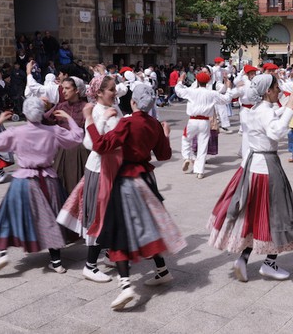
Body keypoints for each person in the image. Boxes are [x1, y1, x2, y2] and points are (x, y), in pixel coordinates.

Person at [83, 84, 187, 310]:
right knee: (148, 226)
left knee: (120, 229)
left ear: (133, 102)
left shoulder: (128, 123)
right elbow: (164, 155)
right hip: (148, 180)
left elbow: (100, 146)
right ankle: (162, 270)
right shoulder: (155, 125)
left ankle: (126, 285)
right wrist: (166, 135)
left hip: (128, 180)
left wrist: (90, 120)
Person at [208, 74, 293, 282]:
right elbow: (275, 131)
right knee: (278, 213)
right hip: (266, 168)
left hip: (252, 167)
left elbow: (269, 114)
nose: (279, 89)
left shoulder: (253, 110)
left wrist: (284, 107)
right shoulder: (263, 112)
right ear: (268, 91)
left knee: (256, 215)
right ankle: (269, 263)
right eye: (276, 87)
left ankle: (243, 259)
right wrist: (289, 108)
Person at [0, 98, 83, 273]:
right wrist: (69, 119)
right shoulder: (53, 130)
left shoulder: (16, 131)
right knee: (51, 217)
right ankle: (56, 260)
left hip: (23, 180)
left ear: (25, 113)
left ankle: (2, 252)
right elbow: (76, 138)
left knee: (10, 216)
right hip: (48, 179)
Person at [56, 75, 121, 283]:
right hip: (99, 169)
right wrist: (100, 119)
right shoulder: (96, 111)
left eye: (115, 88)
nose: (115, 92)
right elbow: (90, 143)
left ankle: (111, 253)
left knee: (112, 213)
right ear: (99, 93)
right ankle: (90, 265)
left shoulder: (114, 107)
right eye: (111, 89)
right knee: (98, 215)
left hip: (113, 168)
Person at [176, 70, 234, 179]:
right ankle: (200, 171)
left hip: (192, 120)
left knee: (185, 139)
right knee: (203, 145)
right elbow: (226, 99)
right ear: (207, 82)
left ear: (197, 80)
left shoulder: (191, 91)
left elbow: (178, 91)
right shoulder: (212, 93)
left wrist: (180, 80)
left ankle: (187, 157)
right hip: (205, 121)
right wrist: (229, 88)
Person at [43, 76, 89, 194]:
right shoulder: (60, 106)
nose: (63, 91)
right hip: (61, 152)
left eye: (67, 88)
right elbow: (44, 120)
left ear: (77, 90)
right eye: (63, 88)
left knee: (78, 188)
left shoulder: (86, 107)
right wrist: (42, 107)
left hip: (80, 153)